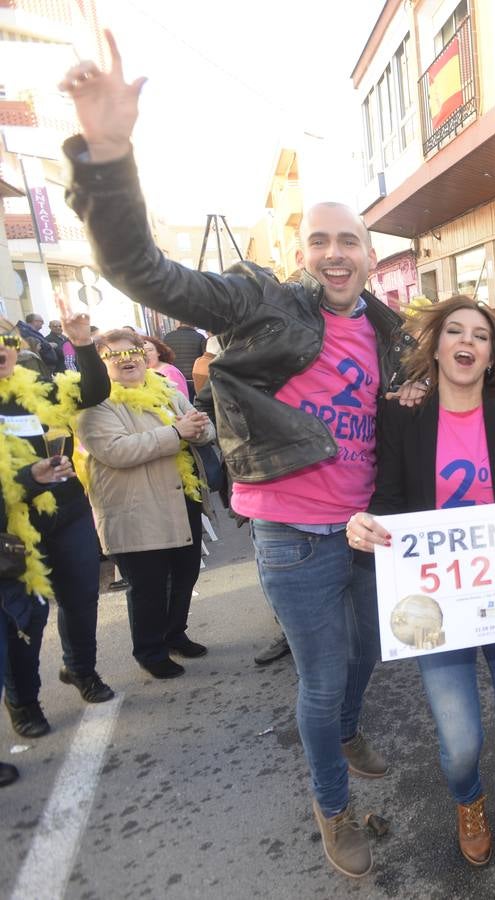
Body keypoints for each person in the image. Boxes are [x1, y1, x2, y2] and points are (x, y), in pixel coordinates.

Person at [60, 36, 424, 878]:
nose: (337, 254)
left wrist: (411, 404)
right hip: (293, 535)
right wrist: (109, 157)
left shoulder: (392, 329)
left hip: (371, 533)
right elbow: (142, 269)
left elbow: (450, 393)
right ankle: (332, 808)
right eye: (323, 240)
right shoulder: (261, 302)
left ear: (372, 257)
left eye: (352, 243)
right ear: (306, 249)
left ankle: (343, 736)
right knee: (324, 679)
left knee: (369, 658)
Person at [347, 297, 495, 866]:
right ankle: (468, 799)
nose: (467, 342)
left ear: (489, 354)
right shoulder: (403, 412)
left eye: (480, 335)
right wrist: (365, 523)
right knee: (459, 743)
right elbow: (388, 500)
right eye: (455, 331)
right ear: (436, 346)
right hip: (438, 605)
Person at [1, 308, 115, 740]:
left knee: (83, 596)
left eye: (8, 341)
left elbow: (91, 391)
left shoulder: (38, 389)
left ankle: (81, 670)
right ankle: (23, 700)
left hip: (66, 510)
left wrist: (83, 343)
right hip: (11, 526)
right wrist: (28, 479)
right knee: (24, 617)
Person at [77, 329, 216, 677]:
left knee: (186, 573)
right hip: (135, 508)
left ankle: (174, 634)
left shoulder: (164, 388)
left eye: (134, 351)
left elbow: (203, 426)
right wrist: (176, 433)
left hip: (181, 496)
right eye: (114, 354)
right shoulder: (92, 402)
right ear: (100, 363)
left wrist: (200, 429)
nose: (128, 359)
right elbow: (115, 450)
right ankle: (150, 651)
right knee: (149, 585)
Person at [0, 451, 78, 787]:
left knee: (29, 621)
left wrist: (30, 478)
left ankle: (23, 701)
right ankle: (22, 703)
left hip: (12, 547)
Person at [162, 321, 206, 391]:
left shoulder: (167, 337)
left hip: (174, 377)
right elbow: (204, 358)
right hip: (193, 378)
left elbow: (164, 357)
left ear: (180, 323)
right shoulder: (200, 337)